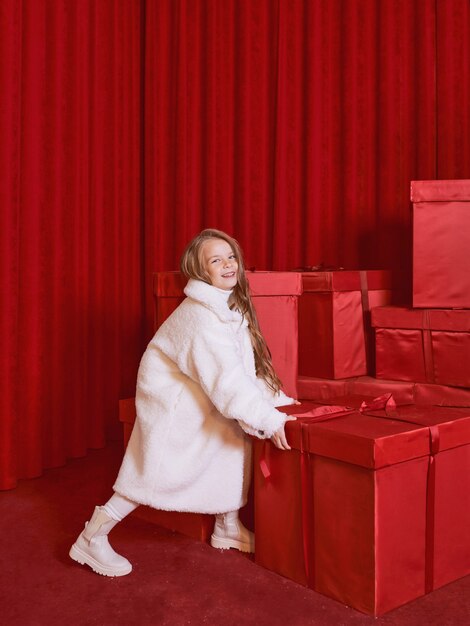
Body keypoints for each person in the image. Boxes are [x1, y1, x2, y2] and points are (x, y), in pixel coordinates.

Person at [69, 228, 297, 577]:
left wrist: (270, 401)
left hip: (195, 387)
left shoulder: (224, 306)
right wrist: (269, 419)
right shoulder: (201, 317)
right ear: (199, 270)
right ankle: (92, 535)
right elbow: (227, 381)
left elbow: (239, 369)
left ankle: (227, 527)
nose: (227, 265)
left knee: (231, 436)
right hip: (172, 401)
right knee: (151, 473)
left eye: (230, 256)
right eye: (215, 260)